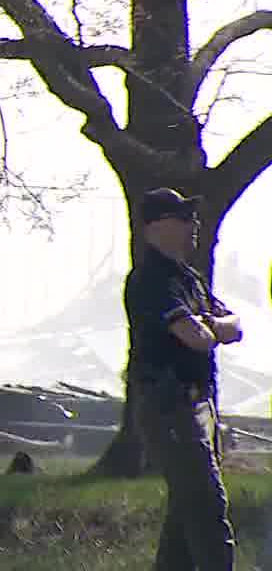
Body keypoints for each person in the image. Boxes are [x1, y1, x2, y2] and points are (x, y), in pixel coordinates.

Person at [125, 187, 244, 571]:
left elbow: (234, 325)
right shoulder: (150, 280)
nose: (193, 225)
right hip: (168, 406)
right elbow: (195, 338)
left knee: (184, 517)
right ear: (155, 226)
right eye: (183, 218)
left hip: (199, 406)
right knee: (207, 506)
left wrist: (209, 326)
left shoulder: (188, 279)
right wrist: (211, 328)